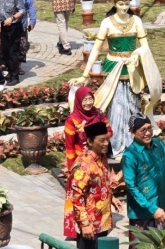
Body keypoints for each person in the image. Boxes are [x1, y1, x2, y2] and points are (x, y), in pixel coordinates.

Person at [70, 0, 162, 158]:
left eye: (127, 3)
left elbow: (145, 49)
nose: (124, 7)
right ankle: (118, 146)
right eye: (121, 3)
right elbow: (96, 49)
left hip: (132, 70)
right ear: (114, 3)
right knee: (116, 108)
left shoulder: (136, 21)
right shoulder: (107, 22)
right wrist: (84, 74)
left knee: (133, 106)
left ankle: (134, 145)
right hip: (113, 69)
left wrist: (141, 62)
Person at [63, 86, 114, 239]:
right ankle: (84, 226)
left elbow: (109, 131)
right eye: (84, 99)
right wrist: (71, 166)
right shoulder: (72, 119)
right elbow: (69, 145)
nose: (88, 102)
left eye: (90, 99)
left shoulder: (98, 113)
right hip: (83, 160)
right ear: (78, 101)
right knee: (80, 194)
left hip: (99, 157)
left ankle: (102, 224)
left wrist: (100, 138)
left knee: (102, 187)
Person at [123, 112, 165, 249]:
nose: (148, 133)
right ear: (132, 132)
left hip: (163, 207)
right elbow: (132, 187)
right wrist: (153, 209)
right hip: (141, 212)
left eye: (149, 128)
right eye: (143, 130)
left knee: (163, 245)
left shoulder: (159, 144)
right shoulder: (130, 155)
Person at [64, 121, 123, 249]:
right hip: (90, 226)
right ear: (90, 142)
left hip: (103, 221)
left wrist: (111, 198)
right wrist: (84, 224)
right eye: (102, 140)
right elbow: (76, 197)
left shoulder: (102, 158)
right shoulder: (83, 165)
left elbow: (99, 184)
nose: (106, 143)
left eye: (107, 139)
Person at [0, 0, 24, 86]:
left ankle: (14, 76)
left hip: (13, 27)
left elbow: (22, 11)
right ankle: (10, 73)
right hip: (3, 26)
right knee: (5, 51)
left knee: (13, 52)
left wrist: (12, 18)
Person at [9, 0, 37, 71]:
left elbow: (31, 7)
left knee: (22, 46)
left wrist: (32, 21)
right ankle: (10, 65)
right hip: (8, 25)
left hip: (22, 25)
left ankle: (19, 66)